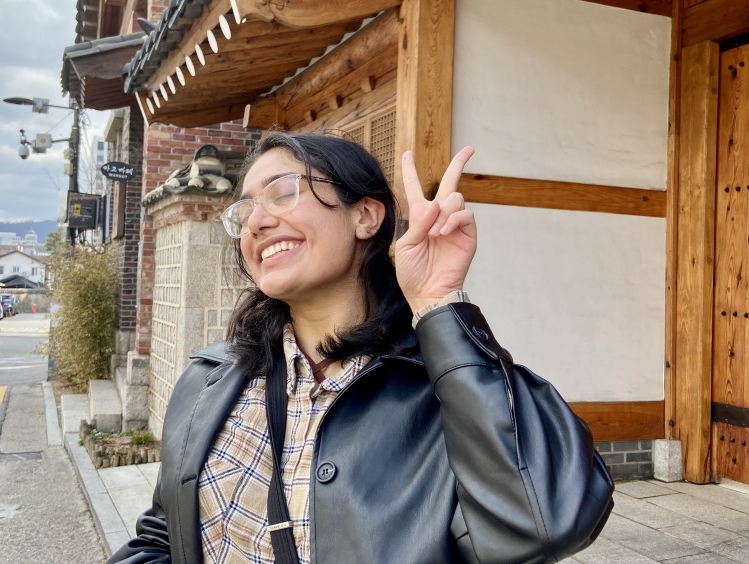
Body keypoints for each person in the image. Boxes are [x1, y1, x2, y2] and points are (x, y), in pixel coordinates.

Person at [110, 132, 614, 564]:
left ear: (366, 216)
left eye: (282, 192)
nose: (255, 222)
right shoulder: (208, 381)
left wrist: (439, 303)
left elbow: (545, 519)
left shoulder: (445, 389)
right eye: (243, 211)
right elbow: (164, 536)